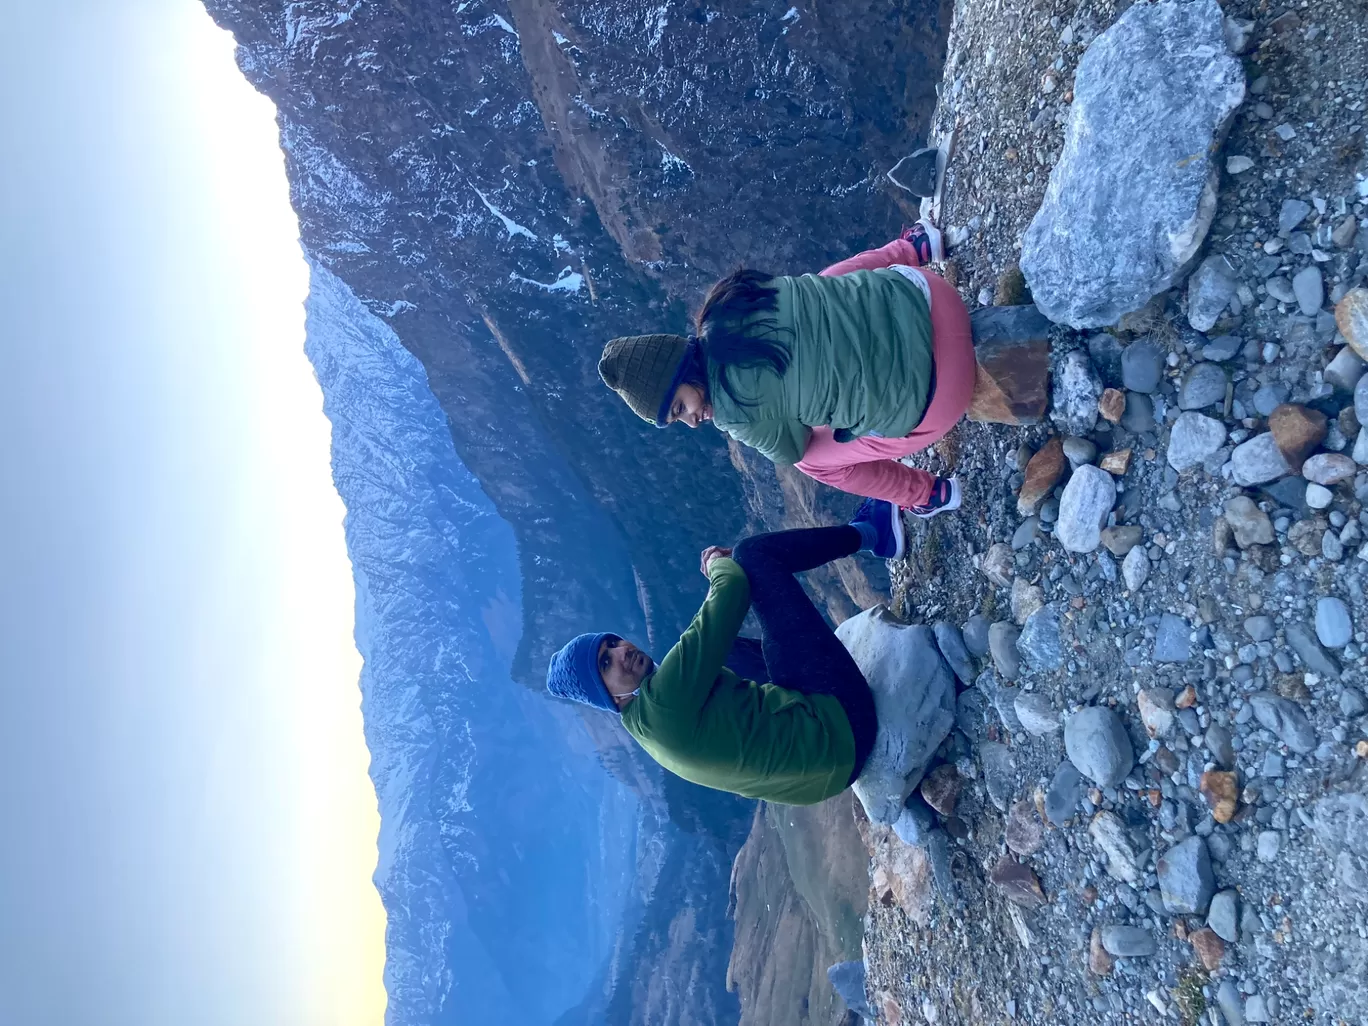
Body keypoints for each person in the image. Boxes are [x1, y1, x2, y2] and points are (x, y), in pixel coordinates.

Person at [597, 220, 973, 518]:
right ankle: (916, 246)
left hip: (944, 392)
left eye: (679, 407)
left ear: (679, 374)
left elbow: (793, 445)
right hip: (932, 296)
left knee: (812, 463)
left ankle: (927, 495)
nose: (693, 420)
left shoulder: (732, 413)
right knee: (824, 288)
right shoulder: (729, 301)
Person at [544, 499, 906, 804]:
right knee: (752, 555)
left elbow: (709, 635)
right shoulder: (664, 699)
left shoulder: (643, 725)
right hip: (843, 728)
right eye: (606, 663)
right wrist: (719, 566)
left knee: (724, 652)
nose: (621, 650)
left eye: (611, 642)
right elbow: (732, 588)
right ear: (612, 698)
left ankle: (817, 667)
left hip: (827, 775)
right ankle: (874, 532)